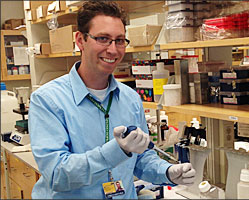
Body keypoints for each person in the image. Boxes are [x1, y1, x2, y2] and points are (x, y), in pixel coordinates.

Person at [29, 1, 195, 199]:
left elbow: (142, 157)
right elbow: (57, 174)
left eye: (119, 40)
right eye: (103, 39)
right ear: (80, 40)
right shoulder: (48, 100)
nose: (113, 50)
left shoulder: (130, 98)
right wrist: (117, 150)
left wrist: (166, 172)